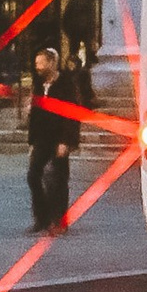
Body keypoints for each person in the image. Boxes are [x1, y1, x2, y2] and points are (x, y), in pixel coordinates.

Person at [25, 44, 91, 234]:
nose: (38, 67)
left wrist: (67, 141)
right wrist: (32, 141)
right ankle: (42, 217)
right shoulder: (38, 85)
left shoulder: (66, 84)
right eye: (36, 63)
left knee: (59, 179)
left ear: (52, 63)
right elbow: (35, 115)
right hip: (42, 138)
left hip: (59, 137)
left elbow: (72, 114)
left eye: (41, 63)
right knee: (33, 175)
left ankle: (59, 220)